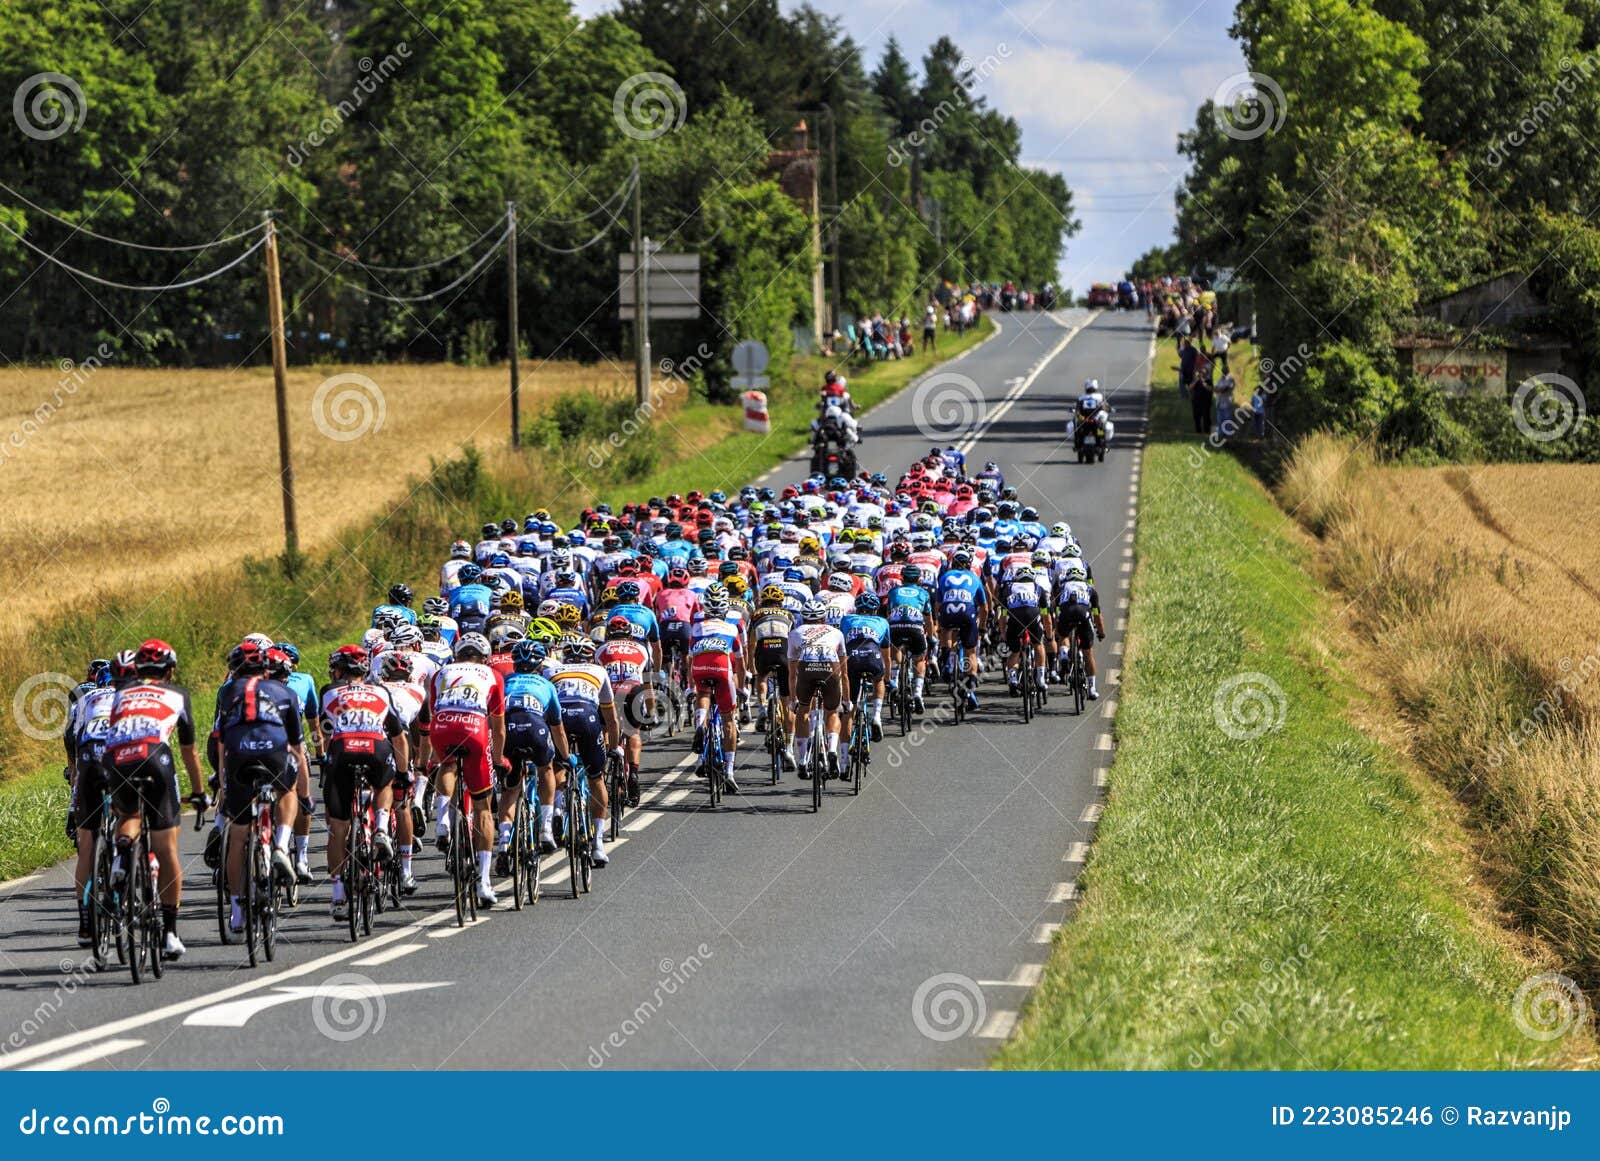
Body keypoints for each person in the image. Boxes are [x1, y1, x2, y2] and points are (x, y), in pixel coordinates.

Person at [104, 639, 209, 960]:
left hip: (117, 758)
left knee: (129, 814)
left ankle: (122, 854)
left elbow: (116, 730)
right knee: (165, 849)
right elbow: (189, 751)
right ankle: (170, 934)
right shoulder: (178, 695)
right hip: (154, 758)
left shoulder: (122, 694)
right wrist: (199, 792)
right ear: (171, 669)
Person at [213, 642, 310, 932]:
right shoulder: (286, 692)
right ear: (267, 669)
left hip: (239, 755)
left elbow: (220, 741)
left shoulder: (227, 692)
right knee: (287, 790)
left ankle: (237, 909)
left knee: (240, 835)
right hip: (274, 753)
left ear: (234, 670)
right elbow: (297, 748)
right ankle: (280, 844)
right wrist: (305, 795)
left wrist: (222, 782)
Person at [786, 598, 849, 780]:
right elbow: (844, 674)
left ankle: (804, 760)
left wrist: (793, 701)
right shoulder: (836, 632)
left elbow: (792, 674)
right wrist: (846, 701)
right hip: (830, 670)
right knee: (832, 713)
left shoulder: (795, 633)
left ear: (804, 618)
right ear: (824, 618)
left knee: (803, 712)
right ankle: (832, 750)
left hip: (806, 671)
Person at [1214, 368, 1237, 439]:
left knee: (1228, 419)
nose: (1223, 371)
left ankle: (1228, 435)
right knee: (1220, 419)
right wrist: (1219, 389)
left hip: (1227, 402)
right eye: (1223, 370)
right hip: (1219, 402)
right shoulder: (1220, 379)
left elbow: (1226, 389)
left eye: (1225, 370)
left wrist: (1219, 389)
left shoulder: (1230, 379)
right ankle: (1221, 435)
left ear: (1228, 371)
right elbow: (1215, 388)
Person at [1178, 336, 1197, 400]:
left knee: (1190, 384)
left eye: (1186, 344)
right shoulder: (1184, 349)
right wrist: (1180, 347)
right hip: (1183, 369)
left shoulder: (1194, 350)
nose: (1185, 345)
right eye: (1184, 344)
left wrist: (1195, 370)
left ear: (1189, 344)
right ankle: (1184, 396)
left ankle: (1193, 397)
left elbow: (1197, 360)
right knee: (1182, 383)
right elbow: (1180, 355)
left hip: (1190, 370)